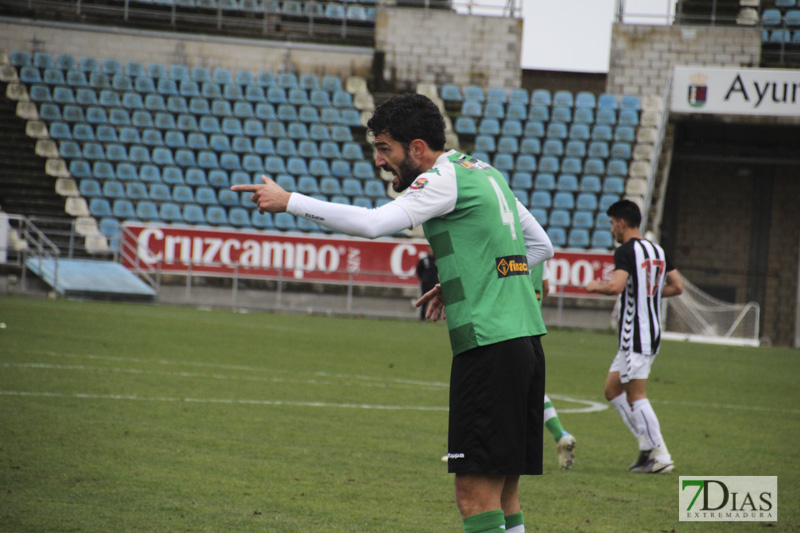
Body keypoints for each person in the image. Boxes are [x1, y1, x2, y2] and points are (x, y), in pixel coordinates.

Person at [232, 93, 554, 533]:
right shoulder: (484, 172)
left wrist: (290, 200)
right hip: (525, 344)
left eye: (386, 149)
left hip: (490, 348)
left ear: (417, 148)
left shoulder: (440, 179)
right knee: (503, 494)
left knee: (473, 495)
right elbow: (540, 248)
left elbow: (371, 224)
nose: (381, 161)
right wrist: (465, 279)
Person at [585, 199, 683, 474]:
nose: (612, 228)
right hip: (649, 331)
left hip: (635, 335)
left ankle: (660, 454)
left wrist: (595, 287)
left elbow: (616, 285)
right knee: (612, 390)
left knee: (636, 396)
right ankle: (646, 446)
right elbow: (677, 287)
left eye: (612, 223)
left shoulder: (625, 251)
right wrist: (648, 292)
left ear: (622, 223)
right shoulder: (658, 251)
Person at [532, 262, 576, 471]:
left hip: (506, 330)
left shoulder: (506, 243)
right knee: (530, 388)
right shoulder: (537, 249)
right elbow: (546, 287)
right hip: (533, 328)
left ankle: (474, 450)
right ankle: (561, 435)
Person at [415, 246, 438, 321]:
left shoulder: (437, 260)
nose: (430, 252)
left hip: (435, 284)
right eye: (429, 251)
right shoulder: (423, 260)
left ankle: (436, 318)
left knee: (437, 301)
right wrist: (423, 279)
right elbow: (419, 270)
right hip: (425, 284)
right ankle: (422, 318)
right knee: (424, 301)